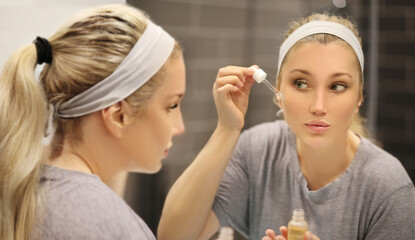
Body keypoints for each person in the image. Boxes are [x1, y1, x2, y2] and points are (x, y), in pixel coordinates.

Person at [158, 13, 415, 240]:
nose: (318, 106)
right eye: (301, 83)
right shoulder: (256, 151)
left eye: (337, 86)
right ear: (277, 90)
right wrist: (227, 129)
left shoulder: (389, 187)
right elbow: (174, 235)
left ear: (359, 97)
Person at [0, 4, 185, 240]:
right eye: (172, 105)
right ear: (119, 116)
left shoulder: (32, 188)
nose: (180, 127)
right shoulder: (99, 220)